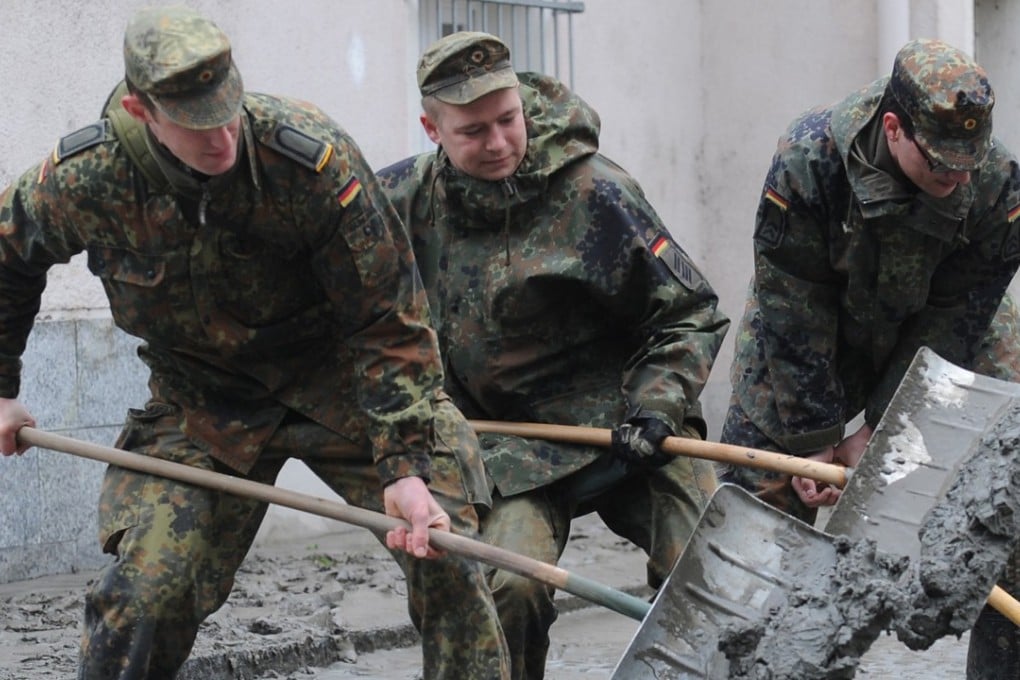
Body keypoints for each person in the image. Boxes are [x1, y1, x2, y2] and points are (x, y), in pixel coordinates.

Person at [0, 7, 510, 679]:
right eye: (195, 124)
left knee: (449, 558)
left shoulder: (308, 158)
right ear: (141, 109)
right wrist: (3, 390)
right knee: (147, 594)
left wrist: (407, 466)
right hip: (204, 404)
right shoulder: (88, 179)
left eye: (227, 111)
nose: (221, 140)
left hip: (343, 385)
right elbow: (8, 258)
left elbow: (389, 315)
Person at [377, 31, 730, 680]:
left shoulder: (597, 192)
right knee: (507, 588)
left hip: (631, 429)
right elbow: (358, 317)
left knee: (707, 569)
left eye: (507, 120)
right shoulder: (401, 203)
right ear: (431, 128)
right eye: (473, 131)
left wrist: (655, 407)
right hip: (512, 448)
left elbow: (690, 313)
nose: (498, 143)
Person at [718, 38, 1020, 679]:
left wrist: (883, 426)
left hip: (941, 325)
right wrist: (819, 437)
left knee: (1009, 480)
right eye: (942, 166)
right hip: (816, 325)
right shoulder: (809, 159)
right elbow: (790, 300)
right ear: (894, 128)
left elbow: (960, 310)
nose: (959, 180)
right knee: (760, 497)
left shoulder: (997, 184)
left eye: (971, 163)